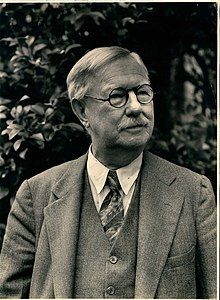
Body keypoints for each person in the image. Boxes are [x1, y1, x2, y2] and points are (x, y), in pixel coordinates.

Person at [0, 46, 216, 299]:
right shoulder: (36, 196)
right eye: (118, 96)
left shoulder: (192, 192)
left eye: (143, 92)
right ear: (82, 112)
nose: (137, 107)